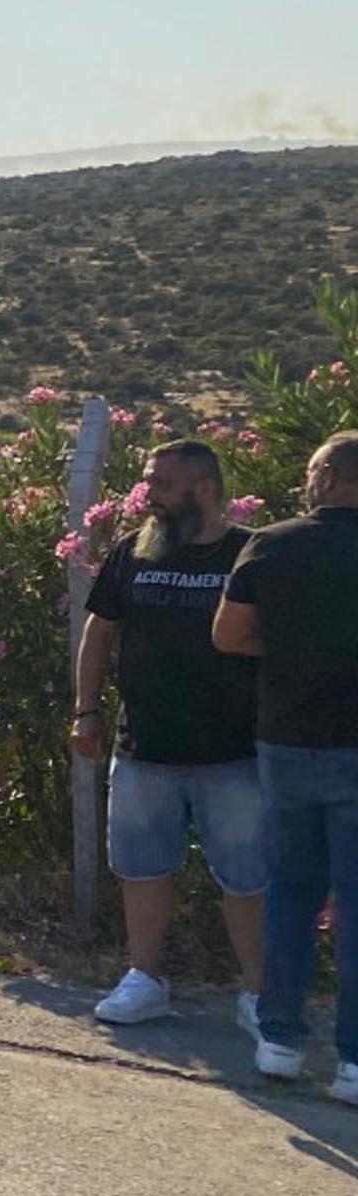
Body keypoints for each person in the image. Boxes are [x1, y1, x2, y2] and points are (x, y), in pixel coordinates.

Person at [77, 439, 264, 1029]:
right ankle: (145, 979)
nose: (148, 496)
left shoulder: (250, 554)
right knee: (142, 870)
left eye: (161, 484)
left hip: (234, 755)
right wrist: (86, 711)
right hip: (144, 750)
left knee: (248, 878)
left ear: (202, 488)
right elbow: (99, 632)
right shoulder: (134, 551)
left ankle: (260, 994)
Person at [213, 429, 358, 1105]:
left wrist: (293, 652)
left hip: (288, 739)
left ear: (324, 479)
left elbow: (228, 635)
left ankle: (279, 1039)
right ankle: (354, 1061)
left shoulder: (271, 544)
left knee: (291, 893)